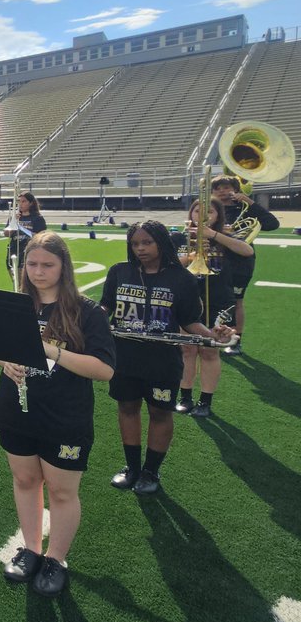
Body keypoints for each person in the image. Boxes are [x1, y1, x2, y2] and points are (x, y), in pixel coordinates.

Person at [0, 232, 116, 597]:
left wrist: (50, 351)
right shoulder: (16, 304)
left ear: (64, 267)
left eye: (47, 265)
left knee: (62, 491)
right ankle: (31, 549)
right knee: (25, 481)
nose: (38, 272)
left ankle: (56, 558)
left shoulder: (87, 311)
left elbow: (104, 369)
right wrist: (5, 363)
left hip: (65, 416)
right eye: (32, 264)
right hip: (15, 410)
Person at [100, 221, 232, 495]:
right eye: (135, 244)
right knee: (127, 408)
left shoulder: (181, 278)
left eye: (147, 242)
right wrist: (84, 315)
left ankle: (151, 471)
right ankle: (132, 468)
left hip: (162, 362)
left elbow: (189, 321)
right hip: (123, 357)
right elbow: (106, 307)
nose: (140, 249)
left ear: (161, 242)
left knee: (160, 412)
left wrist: (213, 335)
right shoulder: (118, 271)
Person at [172, 198, 252, 417]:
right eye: (198, 210)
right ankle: (185, 396)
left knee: (209, 351)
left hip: (217, 301)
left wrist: (213, 235)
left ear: (219, 215)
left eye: (210, 212)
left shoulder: (225, 237)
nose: (203, 215)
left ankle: (205, 401)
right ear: (191, 213)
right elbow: (167, 267)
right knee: (187, 350)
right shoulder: (180, 236)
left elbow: (247, 251)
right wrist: (190, 257)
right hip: (187, 300)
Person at [211, 176, 279, 355]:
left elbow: (273, 224)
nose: (221, 191)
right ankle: (213, 335)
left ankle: (236, 340)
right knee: (211, 298)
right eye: (217, 188)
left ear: (236, 190)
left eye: (226, 187)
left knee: (236, 301)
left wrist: (250, 202)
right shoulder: (209, 209)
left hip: (240, 262)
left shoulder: (246, 209)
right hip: (214, 259)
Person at [5, 191, 47, 288]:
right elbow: (6, 234)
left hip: (29, 253)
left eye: (23, 201)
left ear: (31, 203)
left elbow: (41, 237)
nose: (20, 204)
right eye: (19, 201)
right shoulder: (14, 217)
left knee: (26, 285)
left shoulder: (37, 218)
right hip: (13, 252)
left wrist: (24, 230)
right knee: (16, 284)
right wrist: (14, 222)